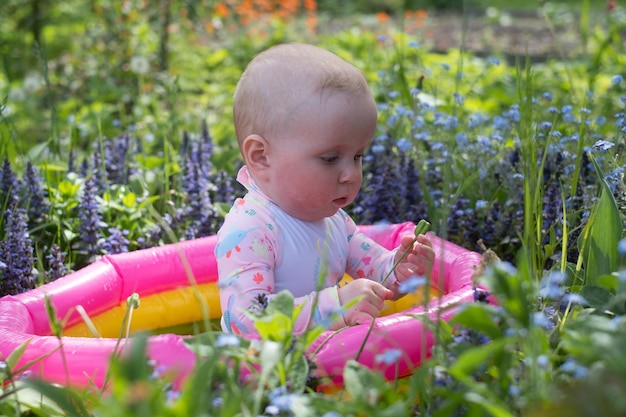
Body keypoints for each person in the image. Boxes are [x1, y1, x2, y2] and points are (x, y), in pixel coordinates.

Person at [215, 43, 434, 335]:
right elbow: (245, 319)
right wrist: (335, 306)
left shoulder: (334, 221)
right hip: (263, 376)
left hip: (328, 364)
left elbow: (377, 278)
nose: (351, 175)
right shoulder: (251, 230)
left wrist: (401, 268)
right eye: (330, 159)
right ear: (260, 156)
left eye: (358, 156)